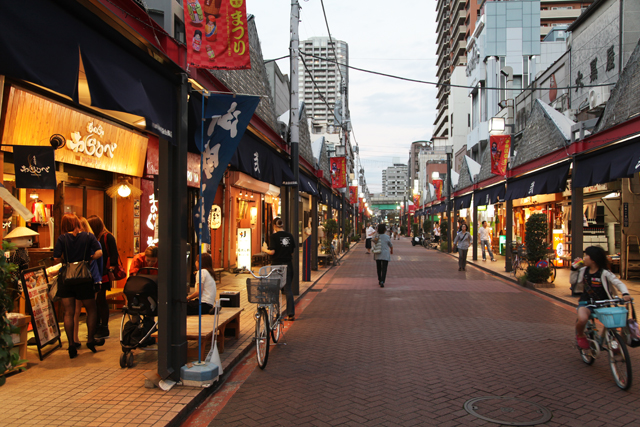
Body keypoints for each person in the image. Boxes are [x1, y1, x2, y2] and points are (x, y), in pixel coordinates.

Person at [53, 213, 104, 358]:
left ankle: (71, 345)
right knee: (91, 309)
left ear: (64, 225)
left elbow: (56, 258)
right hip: (84, 279)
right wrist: (89, 258)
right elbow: (99, 252)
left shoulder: (61, 239)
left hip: (67, 279)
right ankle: (90, 339)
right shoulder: (89, 237)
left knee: (68, 312)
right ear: (77, 223)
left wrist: (65, 259)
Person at [575, 246, 631, 350]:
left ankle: (615, 347)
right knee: (582, 319)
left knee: (612, 325)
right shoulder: (583, 271)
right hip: (586, 303)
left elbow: (618, 283)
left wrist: (625, 293)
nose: (584, 258)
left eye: (586, 255)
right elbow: (574, 282)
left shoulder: (605, 272)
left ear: (593, 259)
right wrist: (573, 270)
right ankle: (581, 335)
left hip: (603, 303)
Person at [70, 217, 103, 347]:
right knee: (91, 309)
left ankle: (75, 338)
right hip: (92, 278)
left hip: (76, 277)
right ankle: (90, 338)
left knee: (76, 310)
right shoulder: (94, 242)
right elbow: (99, 263)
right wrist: (99, 278)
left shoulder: (76, 243)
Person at [88, 215, 120, 338]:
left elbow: (114, 254)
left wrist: (111, 268)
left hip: (104, 273)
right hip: (96, 272)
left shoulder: (107, 236)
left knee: (101, 300)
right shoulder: (94, 237)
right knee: (95, 301)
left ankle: (104, 327)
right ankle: (96, 325)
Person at [262, 217, 296, 321]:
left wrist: (264, 249)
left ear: (274, 226)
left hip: (276, 266)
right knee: (288, 289)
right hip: (288, 265)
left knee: (275, 289)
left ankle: (275, 313)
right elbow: (292, 252)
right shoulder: (290, 236)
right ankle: (291, 313)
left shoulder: (274, 236)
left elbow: (272, 252)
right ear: (282, 225)